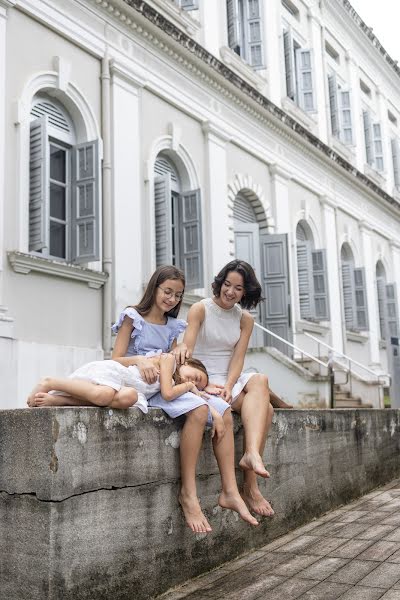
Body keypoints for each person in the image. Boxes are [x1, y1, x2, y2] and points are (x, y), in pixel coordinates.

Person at [111, 265, 258, 533]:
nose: (172, 299)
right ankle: (188, 495)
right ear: (154, 288)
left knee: (217, 409)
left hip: (165, 383)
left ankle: (229, 491)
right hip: (145, 386)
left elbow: (173, 367)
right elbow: (115, 359)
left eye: (178, 295)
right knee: (201, 412)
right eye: (167, 292)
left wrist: (202, 388)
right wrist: (141, 360)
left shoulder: (172, 326)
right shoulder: (133, 316)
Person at [173, 260, 275, 517]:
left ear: (245, 292)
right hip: (204, 377)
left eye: (238, 288)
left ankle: (250, 459)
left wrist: (229, 386)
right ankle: (249, 486)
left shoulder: (245, 319)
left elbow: (238, 358)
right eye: (227, 285)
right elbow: (188, 351)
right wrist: (202, 388)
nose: (230, 292)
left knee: (260, 380)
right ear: (219, 283)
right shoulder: (200, 309)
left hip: (228, 379)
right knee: (269, 411)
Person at [26, 354, 212, 418]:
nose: (193, 382)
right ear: (188, 363)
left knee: (129, 398)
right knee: (105, 395)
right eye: (195, 377)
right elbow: (168, 394)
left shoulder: (171, 379)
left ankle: (58, 400)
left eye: (198, 384)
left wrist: (197, 390)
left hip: (125, 388)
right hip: (115, 374)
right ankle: (51, 382)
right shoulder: (169, 360)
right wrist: (189, 387)